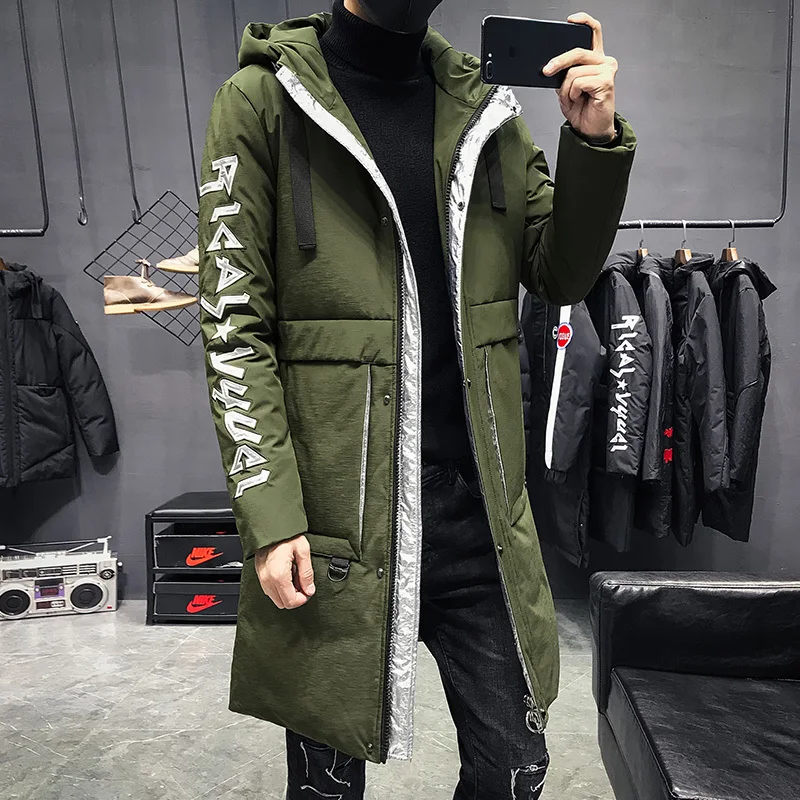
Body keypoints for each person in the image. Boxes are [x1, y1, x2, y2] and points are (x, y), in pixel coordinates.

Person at [197, 1, 636, 797]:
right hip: (336, 521)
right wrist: (270, 512)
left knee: (515, 769)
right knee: (326, 785)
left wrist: (593, 141)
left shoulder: (485, 109)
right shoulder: (264, 100)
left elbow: (561, 273)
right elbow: (234, 328)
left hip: (478, 516)